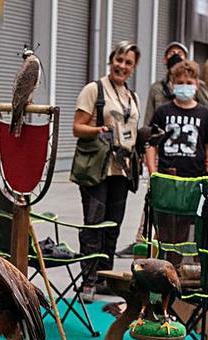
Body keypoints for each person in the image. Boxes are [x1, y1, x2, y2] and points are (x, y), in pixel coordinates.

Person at [73, 40, 141, 301]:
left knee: (113, 225)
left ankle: (105, 277)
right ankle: (88, 280)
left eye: (128, 63)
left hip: (121, 169)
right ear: (112, 60)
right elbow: (77, 127)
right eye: (119, 60)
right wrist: (98, 130)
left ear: (133, 68)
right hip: (97, 166)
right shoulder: (94, 89)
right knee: (94, 223)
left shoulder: (131, 96)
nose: (122, 66)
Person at [144, 59, 208, 266]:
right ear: (173, 83)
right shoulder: (163, 112)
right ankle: (163, 268)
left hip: (193, 181)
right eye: (180, 82)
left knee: (188, 230)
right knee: (165, 230)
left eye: (189, 82)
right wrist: (153, 171)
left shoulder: (203, 114)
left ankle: (181, 268)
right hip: (167, 178)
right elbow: (151, 143)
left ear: (196, 84)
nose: (184, 85)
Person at [143, 41, 208, 127]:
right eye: (171, 53)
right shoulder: (156, 88)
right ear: (165, 59)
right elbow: (148, 120)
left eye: (180, 53)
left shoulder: (196, 85)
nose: (175, 56)